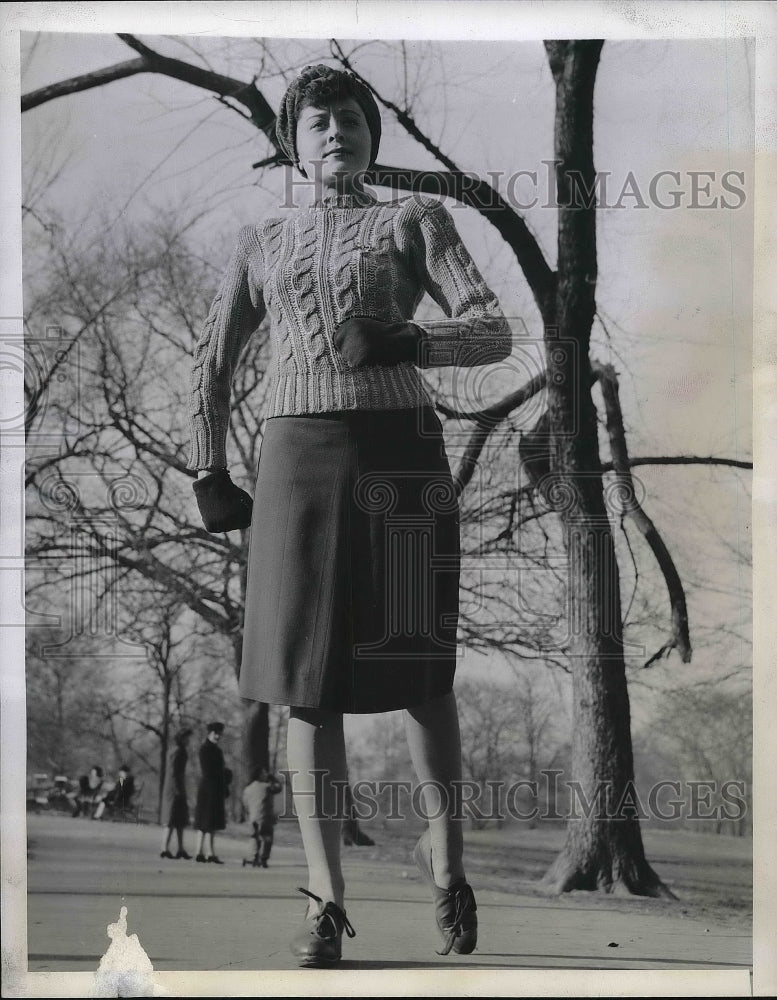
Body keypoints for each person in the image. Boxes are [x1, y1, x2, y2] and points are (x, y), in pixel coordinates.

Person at [188, 64, 512, 966]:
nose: (338, 134)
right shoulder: (259, 238)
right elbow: (212, 367)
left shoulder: (413, 220)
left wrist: (412, 338)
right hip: (295, 459)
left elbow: (492, 328)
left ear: (373, 135)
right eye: (320, 123)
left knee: (419, 673)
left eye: (353, 121)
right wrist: (205, 467)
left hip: (402, 451)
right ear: (293, 141)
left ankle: (448, 866)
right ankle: (326, 901)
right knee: (304, 682)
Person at [193, 722, 228, 863]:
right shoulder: (205, 749)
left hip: (215, 789)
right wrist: (222, 777)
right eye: (215, 733)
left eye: (219, 733)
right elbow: (208, 771)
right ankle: (199, 852)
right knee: (204, 823)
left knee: (211, 823)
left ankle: (209, 852)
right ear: (209, 733)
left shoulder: (216, 750)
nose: (218, 736)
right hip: (208, 790)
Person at [160, 728, 193, 859]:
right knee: (172, 819)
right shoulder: (179, 752)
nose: (189, 740)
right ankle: (164, 848)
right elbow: (175, 772)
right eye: (187, 738)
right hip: (175, 790)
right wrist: (179, 790)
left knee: (179, 820)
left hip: (173, 788)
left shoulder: (175, 750)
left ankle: (180, 848)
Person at [242, 767, 283, 868]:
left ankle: (253, 857)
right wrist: (273, 778)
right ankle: (263, 858)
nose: (265, 775)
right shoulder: (267, 787)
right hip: (265, 818)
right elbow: (279, 788)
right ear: (259, 775)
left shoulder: (248, 789)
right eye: (264, 774)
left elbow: (245, 804)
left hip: (253, 817)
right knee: (267, 837)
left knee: (254, 837)